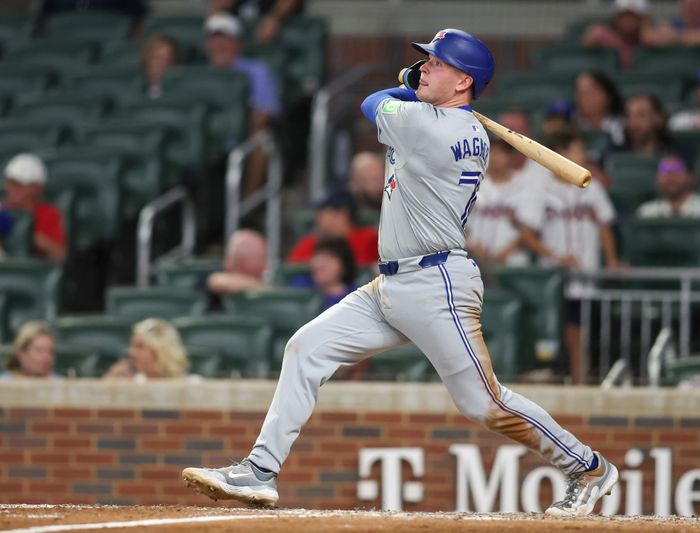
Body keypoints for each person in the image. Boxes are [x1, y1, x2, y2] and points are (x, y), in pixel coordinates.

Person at [182, 28, 618, 516]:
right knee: (307, 347)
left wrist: (407, 84)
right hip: (392, 282)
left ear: (463, 82)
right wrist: (417, 85)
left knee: (485, 404)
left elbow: (372, 101)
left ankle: (588, 466)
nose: (425, 67)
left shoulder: (432, 126)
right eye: (425, 61)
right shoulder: (458, 126)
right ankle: (260, 471)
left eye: (436, 63)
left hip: (437, 284)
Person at [520, 129, 622, 385]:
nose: (583, 155)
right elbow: (527, 233)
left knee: (581, 336)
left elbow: (605, 226)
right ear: (560, 155)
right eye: (577, 149)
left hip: (587, 274)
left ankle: (580, 383)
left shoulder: (592, 185)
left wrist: (611, 260)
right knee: (562, 336)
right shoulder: (541, 187)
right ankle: (572, 381)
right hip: (554, 278)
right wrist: (554, 256)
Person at [204, 12, 281, 194]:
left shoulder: (256, 71)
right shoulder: (200, 73)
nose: (219, 45)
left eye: (225, 39)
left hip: (243, 134)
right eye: (214, 39)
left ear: (238, 42)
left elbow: (265, 112)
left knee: (259, 139)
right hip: (207, 136)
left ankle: (247, 205)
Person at [465, 137, 536, 267]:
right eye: (492, 152)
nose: (495, 157)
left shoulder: (525, 185)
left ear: (511, 157)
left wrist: (505, 252)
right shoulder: (474, 184)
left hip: (512, 261)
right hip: (477, 260)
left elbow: (529, 228)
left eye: (501, 152)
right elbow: (462, 225)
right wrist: (474, 246)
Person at [637, 153, 700, 245]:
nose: (669, 174)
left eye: (676, 169)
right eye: (663, 169)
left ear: (691, 177)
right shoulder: (646, 213)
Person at [287, 190, 378, 267]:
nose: (318, 217)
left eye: (323, 212)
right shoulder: (309, 243)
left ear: (342, 214)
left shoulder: (368, 239)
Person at [2, 153, 66, 263]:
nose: (12, 189)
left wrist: (30, 236)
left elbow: (62, 254)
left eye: (19, 184)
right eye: (10, 183)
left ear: (37, 187)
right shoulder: (2, 211)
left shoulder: (48, 214)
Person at [642, 0, 700, 65]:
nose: (690, 8)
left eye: (695, 4)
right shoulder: (676, 24)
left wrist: (676, 37)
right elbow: (647, 36)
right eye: (686, 3)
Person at [104, 318, 189, 380]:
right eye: (133, 346)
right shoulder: (129, 384)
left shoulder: (193, 384)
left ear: (160, 351)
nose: (131, 352)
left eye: (139, 346)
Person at [204, 229, 269, 309]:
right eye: (262, 258)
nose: (267, 264)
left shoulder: (267, 280)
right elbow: (216, 281)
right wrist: (264, 289)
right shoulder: (213, 273)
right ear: (243, 264)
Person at [582, 0, 651, 70]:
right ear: (617, 17)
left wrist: (645, 28)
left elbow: (650, 39)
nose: (628, 21)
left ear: (641, 19)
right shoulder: (605, 33)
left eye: (633, 17)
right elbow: (588, 41)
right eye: (624, 16)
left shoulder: (648, 34)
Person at [209, 0, 303, 43]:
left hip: (272, 43)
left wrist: (274, 19)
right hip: (236, 42)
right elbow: (218, 10)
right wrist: (218, 10)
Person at [572, 71, 625, 147]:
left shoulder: (625, 127)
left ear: (607, 96)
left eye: (589, 92)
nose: (583, 98)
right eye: (580, 93)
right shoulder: (569, 126)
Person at [141, 34, 180, 99]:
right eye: (157, 57)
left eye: (167, 59)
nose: (161, 63)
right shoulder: (131, 91)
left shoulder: (180, 94)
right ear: (146, 60)